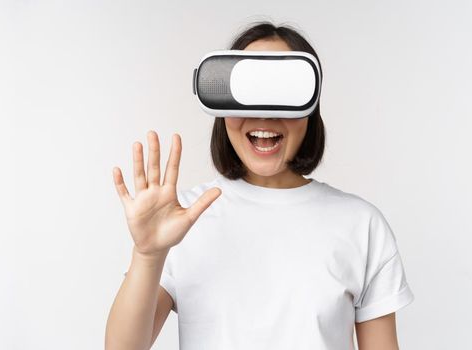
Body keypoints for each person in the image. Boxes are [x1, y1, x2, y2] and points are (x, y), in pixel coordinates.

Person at [105, 22, 414, 350]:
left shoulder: (362, 225)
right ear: (222, 108)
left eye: (283, 93)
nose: (264, 115)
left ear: (310, 107)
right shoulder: (180, 222)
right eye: (249, 93)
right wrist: (148, 254)